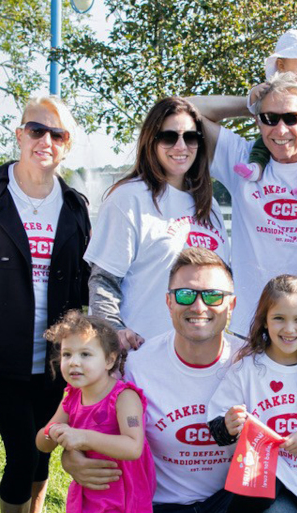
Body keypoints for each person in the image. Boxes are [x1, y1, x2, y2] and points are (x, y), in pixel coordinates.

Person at [0, 95, 91, 513]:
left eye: (57, 134)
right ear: (19, 135)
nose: (45, 141)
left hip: (55, 358)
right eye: (36, 130)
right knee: (22, 451)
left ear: (67, 145)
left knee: (43, 448)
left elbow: (86, 283)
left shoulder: (75, 206)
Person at [61, 247, 240, 513]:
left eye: (213, 295)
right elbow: (89, 421)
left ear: (232, 304)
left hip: (230, 504)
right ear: (169, 302)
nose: (199, 306)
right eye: (185, 294)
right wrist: (70, 456)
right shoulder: (135, 366)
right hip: (157, 507)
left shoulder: (252, 363)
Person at [188, 72, 297, 336]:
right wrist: (250, 102)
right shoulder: (242, 159)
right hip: (252, 326)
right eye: (270, 118)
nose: (280, 130)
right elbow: (182, 109)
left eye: (292, 118)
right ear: (258, 121)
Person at [86, 97, 228, 346]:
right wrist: (115, 333)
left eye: (191, 137)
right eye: (169, 137)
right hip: (142, 354)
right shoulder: (128, 198)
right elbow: (103, 282)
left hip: (201, 356)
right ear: (151, 141)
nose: (181, 146)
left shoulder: (209, 205)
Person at [207, 275, 297, 513]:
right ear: (264, 321)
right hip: (262, 473)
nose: (289, 329)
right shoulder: (247, 368)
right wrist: (228, 425)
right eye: (279, 318)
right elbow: (217, 425)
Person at [36, 311, 155, 513]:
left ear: (109, 360)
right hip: (89, 497)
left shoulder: (124, 398)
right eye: (67, 354)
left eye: (85, 354)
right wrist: (51, 432)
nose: (74, 362)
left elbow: (133, 447)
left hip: (123, 500)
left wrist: (83, 437)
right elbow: (42, 443)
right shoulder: (72, 398)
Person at [235, 29, 297, 184]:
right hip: (281, 139)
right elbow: (255, 109)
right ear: (281, 66)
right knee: (261, 144)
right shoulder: (274, 87)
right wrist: (254, 94)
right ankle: (256, 168)